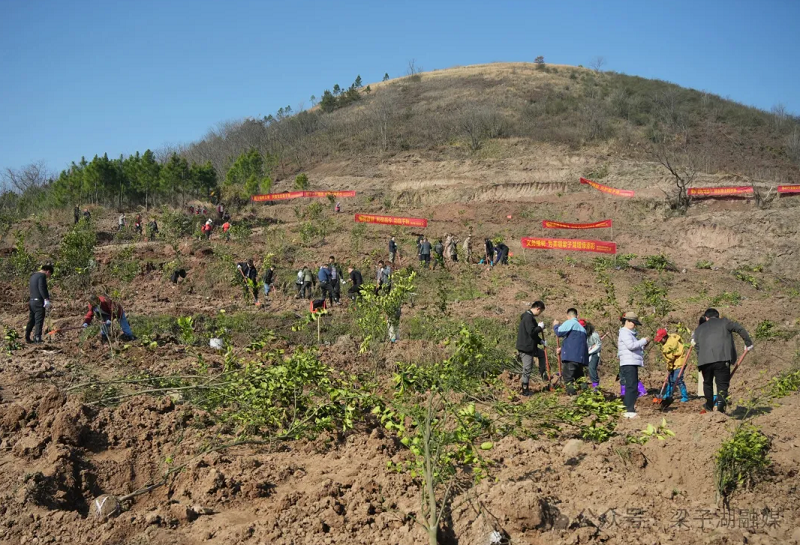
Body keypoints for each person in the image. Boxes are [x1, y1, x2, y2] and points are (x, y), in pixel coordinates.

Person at [693, 308, 753, 414]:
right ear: (717, 316)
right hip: (722, 358)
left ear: (706, 318)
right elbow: (739, 328)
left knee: (707, 383)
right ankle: (720, 406)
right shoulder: (725, 322)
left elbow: (697, 346)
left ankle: (709, 406)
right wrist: (748, 343)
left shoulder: (699, 329)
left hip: (704, 361)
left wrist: (702, 357)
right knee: (722, 384)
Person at [617, 312, 649, 418]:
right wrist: (643, 340)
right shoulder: (625, 333)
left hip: (632, 362)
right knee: (631, 386)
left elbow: (636, 347)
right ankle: (629, 410)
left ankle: (629, 408)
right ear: (627, 321)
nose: (634, 325)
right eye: (633, 323)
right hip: (628, 362)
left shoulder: (630, 333)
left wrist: (644, 344)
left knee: (633, 386)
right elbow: (631, 346)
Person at [553, 308, 589, 395]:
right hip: (581, 358)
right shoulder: (582, 329)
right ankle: (587, 394)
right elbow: (575, 342)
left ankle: (572, 395)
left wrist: (555, 325)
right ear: (577, 316)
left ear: (568, 316)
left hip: (571, 357)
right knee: (579, 378)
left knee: (568, 378)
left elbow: (559, 332)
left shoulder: (570, 323)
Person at [516, 301, 547, 395]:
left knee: (542, 354)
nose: (540, 314)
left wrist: (540, 341)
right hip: (526, 348)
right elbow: (532, 332)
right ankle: (524, 390)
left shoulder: (528, 316)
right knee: (527, 368)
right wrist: (540, 328)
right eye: (540, 311)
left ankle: (544, 375)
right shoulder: (528, 318)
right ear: (538, 308)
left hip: (531, 346)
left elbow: (533, 335)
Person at [655, 328, 689, 402]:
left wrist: (669, 367)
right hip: (674, 362)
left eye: (660, 339)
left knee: (678, 379)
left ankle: (685, 396)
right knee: (670, 380)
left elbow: (670, 358)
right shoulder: (670, 339)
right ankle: (668, 395)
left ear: (664, 337)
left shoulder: (670, 345)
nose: (660, 341)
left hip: (679, 362)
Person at [25, 264, 53, 344]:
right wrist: (46, 299)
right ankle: (37, 337)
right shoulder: (42, 276)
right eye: (49, 275)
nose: (48, 277)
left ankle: (27, 335)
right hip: (38, 302)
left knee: (32, 319)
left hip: (32, 301)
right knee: (39, 320)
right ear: (47, 271)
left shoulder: (33, 276)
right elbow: (41, 287)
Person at [586, 322, 602, 389]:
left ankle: (596, 387)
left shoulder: (594, 335)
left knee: (592, 368)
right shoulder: (586, 336)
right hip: (588, 353)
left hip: (594, 354)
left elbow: (598, 345)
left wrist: (589, 352)